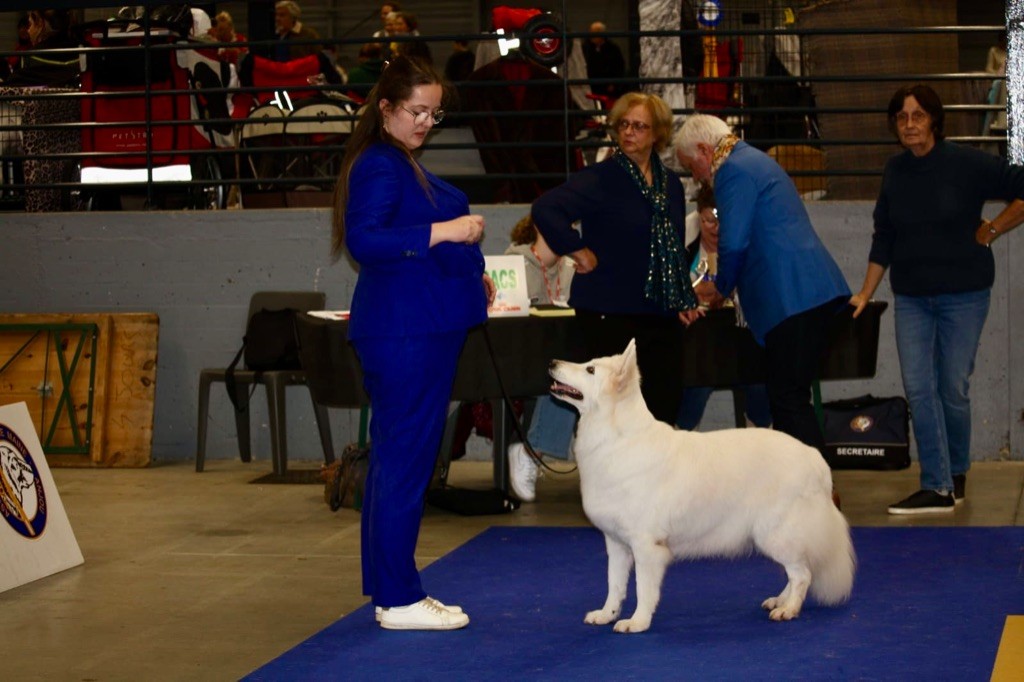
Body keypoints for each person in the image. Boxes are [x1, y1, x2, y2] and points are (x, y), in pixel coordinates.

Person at [330, 55, 495, 631]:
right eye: (415, 111)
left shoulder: (398, 162)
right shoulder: (381, 164)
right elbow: (367, 240)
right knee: (404, 464)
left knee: (396, 463)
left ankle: (389, 589)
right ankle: (399, 597)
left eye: (434, 113)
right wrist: (450, 231)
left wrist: (467, 269)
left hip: (416, 328)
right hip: (407, 333)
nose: (426, 122)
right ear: (385, 109)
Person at [849, 84, 1024, 515]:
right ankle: (937, 484)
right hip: (912, 298)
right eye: (902, 118)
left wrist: (994, 229)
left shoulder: (966, 163)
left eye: (918, 116)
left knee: (952, 389)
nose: (909, 125)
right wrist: (866, 291)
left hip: (965, 296)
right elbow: (883, 237)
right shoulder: (895, 171)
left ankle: (955, 472)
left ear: (934, 121)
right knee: (920, 388)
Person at [674, 114, 850, 456]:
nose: (696, 178)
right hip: (807, 292)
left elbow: (734, 242)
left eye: (690, 166)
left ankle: (818, 490)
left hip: (791, 297)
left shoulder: (732, 171)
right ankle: (810, 488)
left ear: (704, 150)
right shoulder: (753, 161)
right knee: (789, 396)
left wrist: (720, 288)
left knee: (787, 399)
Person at [533, 92, 699, 424]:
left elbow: (675, 247)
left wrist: (684, 295)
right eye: (623, 124)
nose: (629, 132)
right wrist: (577, 249)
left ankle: (654, 477)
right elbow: (546, 209)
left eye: (639, 126)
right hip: (608, 313)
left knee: (663, 405)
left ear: (657, 134)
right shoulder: (601, 178)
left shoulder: (671, 185)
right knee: (610, 414)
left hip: (659, 312)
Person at [675, 183, 773, 431]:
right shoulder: (683, 240)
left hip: (742, 336)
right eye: (708, 221)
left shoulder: (745, 242)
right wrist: (688, 296)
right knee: (697, 384)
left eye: (721, 221)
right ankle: (683, 437)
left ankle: (759, 438)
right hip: (698, 340)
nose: (715, 228)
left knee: (759, 383)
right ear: (699, 217)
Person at [502, 215, 578, 501]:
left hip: (558, 354)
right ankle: (531, 451)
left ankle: (533, 451)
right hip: (521, 357)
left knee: (577, 371)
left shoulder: (572, 267)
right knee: (565, 375)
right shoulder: (514, 263)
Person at [582, 21, 626, 100]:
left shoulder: (613, 48)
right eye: (591, 33)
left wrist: (614, 84)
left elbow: (619, 67)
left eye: (595, 33)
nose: (592, 36)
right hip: (590, 86)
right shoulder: (585, 48)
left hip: (607, 87)